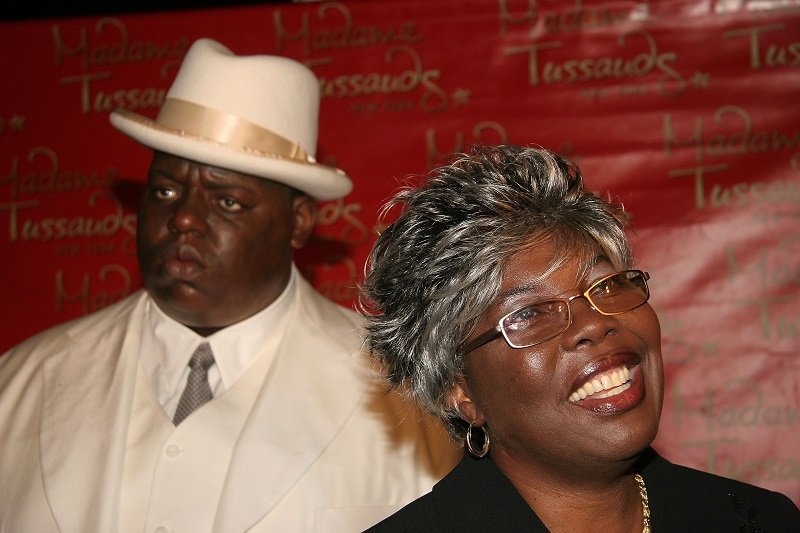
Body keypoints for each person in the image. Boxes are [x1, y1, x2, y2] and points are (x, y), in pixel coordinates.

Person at [0, 38, 458, 532]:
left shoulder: (410, 395)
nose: (184, 219)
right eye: (165, 190)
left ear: (298, 221)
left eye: (228, 202)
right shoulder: (21, 383)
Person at [358, 144, 799, 532]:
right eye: (529, 313)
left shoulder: (759, 520)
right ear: (460, 389)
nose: (593, 323)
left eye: (607, 286)